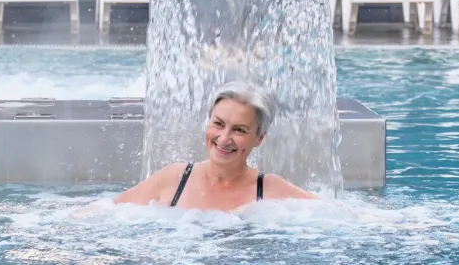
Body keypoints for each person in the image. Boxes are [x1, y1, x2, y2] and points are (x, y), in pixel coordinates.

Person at [114, 81, 319, 212]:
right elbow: (108, 211)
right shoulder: (174, 179)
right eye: (218, 124)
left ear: (259, 139)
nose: (223, 138)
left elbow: (336, 216)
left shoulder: (270, 189)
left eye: (239, 130)